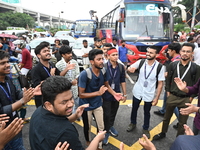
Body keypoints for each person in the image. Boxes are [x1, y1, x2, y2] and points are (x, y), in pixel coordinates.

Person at [29, 76, 106, 150]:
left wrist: (75, 116)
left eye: (71, 98)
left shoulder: (38, 112)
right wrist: (97, 139)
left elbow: (57, 123)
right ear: (48, 105)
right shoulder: (66, 132)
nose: (71, 104)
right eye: (64, 102)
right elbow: (60, 127)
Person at [153, 43, 200, 140]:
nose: (185, 53)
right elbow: (168, 80)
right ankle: (163, 133)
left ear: (192, 53)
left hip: (186, 98)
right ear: (180, 52)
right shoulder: (173, 65)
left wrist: (191, 97)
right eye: (183, 51)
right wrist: (168, 93)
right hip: (173, 96)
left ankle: (179, 139)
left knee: (182, 122)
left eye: (188, 51)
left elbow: (196, 84)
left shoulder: (196, 68)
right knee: (166, 118)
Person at [78, 49, 123, 150]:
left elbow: (106, 85)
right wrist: (98, 93)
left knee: (101, 127)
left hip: (98, 104)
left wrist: (114, 94)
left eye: (102, 58)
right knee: (88, 127)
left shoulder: (103, 71)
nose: (102, 61)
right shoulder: (85, 74)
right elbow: (81, 94)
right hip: (86, 106)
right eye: (98, 59)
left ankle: (99, 145)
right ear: (92, 61)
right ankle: (89, 143)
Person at [126, 46, 165, 139]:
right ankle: (132, 123)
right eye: (148, 52)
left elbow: (160, 84)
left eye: (151, 53)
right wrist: (129, 69)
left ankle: (145, 128)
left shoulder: (160, 67)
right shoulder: (141, 62)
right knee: (134, 109)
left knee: (147, 112)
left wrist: (156, 98)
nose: (148, 54)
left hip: (149, 93)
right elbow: (129, 68)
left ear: (156, 54)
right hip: (138, 91)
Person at [0, 50, 34, 150]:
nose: (8, 65)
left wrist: (30, 92)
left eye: (7, 62)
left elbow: (15, 95)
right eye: (3, 63)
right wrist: (23, 101)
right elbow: (1, 111)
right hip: (4, 131)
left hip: (16, 126)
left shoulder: (8, 79)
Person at [102, 47, 126, 145]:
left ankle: (110, 126)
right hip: (106, 94)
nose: (116, 57)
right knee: (106, 114)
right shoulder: (103, 67)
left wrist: (125, 94)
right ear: (108, 56)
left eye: (117, 54)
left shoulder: (120, 67)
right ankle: (106, 131)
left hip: (117, 94)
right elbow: (103, 83)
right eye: (113, 55)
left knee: (113, 112)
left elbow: (123, 81)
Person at [154, 43, 181, 120]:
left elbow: (168, 74)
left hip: (173, 86)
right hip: (173, 85)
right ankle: (163, 111)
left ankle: (181, 122)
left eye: (169, 50)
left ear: (173, 51)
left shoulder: (175, 62)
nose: (168, 52)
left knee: (173, 104)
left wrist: (158, 74)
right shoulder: (179, 59)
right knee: (166, 98)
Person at [31, 43, 61, 108]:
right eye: (44, 51)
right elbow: (37, 85)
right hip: (43, 100)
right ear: (39, 55)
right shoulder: (36, 69)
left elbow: (59, 76)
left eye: (48, 50)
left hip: (54, 96)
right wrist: (51, 77)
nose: (48, 52)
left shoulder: (51, 64)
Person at [56, 45, 80, 113]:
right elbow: (59, 77)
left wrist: (76, 79)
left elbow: (77, 74)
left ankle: (75, 115)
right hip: (65, 90)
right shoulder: (58, 65)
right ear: (63, 55)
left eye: (71, 53)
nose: (71, 55)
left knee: (76, 104)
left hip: (75, 89)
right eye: (68, 53)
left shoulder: (74, 62)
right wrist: (67, 69)